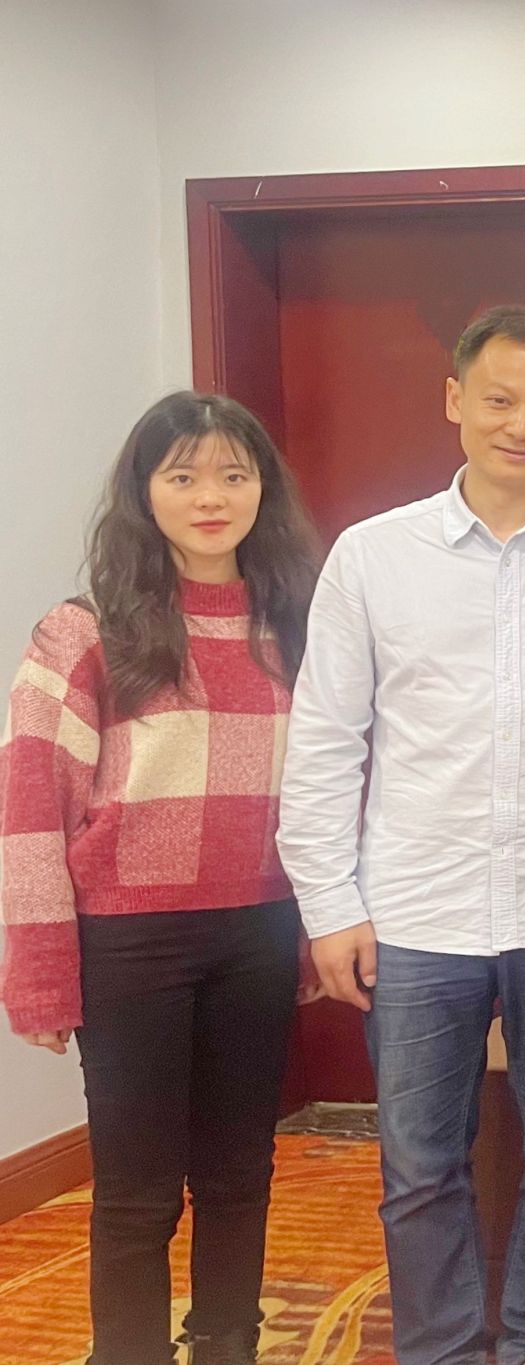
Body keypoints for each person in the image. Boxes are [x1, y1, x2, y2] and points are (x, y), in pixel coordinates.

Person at [278, 306, 525, 1365]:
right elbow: (324, 740)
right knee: (419, 1163)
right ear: (455, 401)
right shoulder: (372, 557)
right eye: (499, 400)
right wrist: (329, 905)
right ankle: (437, 1351)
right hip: (414, 912)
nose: (521, 425)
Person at [1, 392, 321, 1365]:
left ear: (263, 489)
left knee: (239, 1172)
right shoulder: (84, 631)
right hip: (130, 943)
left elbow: (330, 791)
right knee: (138, 1189)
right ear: (145, 492)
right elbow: (30, 812)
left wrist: (320, 930)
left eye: (233, 474)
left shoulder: (297, 625)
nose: (210, 497)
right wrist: (39, 971)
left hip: (259, 931)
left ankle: (226, 1343)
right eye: (183, 476)